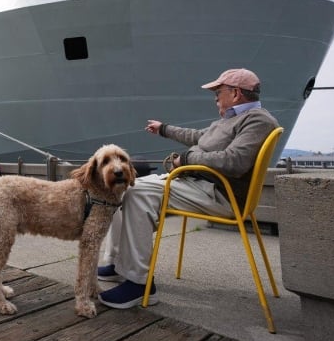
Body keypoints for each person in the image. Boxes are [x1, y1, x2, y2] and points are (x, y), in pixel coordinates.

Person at [97, 68, 279, 309]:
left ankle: (139, 284)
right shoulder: (228, 120)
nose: (215, 96)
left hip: (218, 193)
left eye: (218, 91)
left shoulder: (258, 120)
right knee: (123, 188)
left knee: (137, 194)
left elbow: (234, 162)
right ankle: (118, 261)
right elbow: (198, 137)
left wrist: (186, 160)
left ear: (235, 94)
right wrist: (164, 129)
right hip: (197, 184)